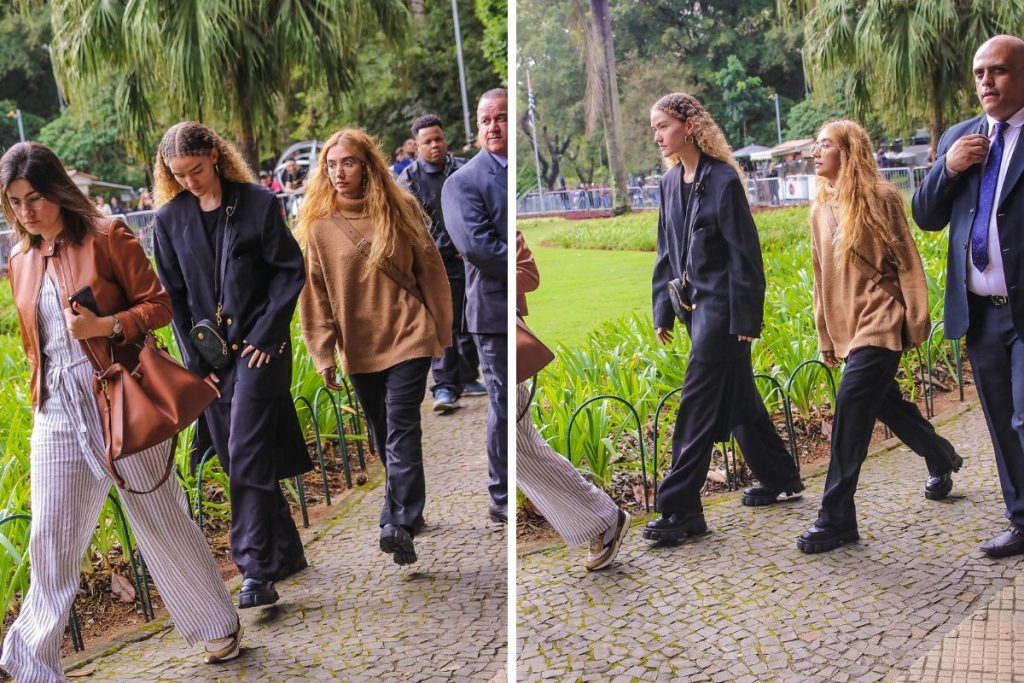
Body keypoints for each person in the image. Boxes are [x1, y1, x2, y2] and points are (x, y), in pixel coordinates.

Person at [0, 142, 241, 680]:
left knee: (160, 518)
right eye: (14, 202)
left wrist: (106, 327)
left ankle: (214, 625)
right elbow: (33, 341)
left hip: (118, 396)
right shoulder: (18, 260)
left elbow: (158, 305)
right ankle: (30, 663)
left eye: (35, 197)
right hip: (57, 410)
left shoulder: (108, 236)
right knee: (50, 535)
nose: (26, 212)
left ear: (58, 191)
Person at [152, 121, 311, 608]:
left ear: (215, 156)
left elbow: (289, 271)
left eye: (196, 170)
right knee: (235, 454)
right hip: (210, 358)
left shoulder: (259, 203)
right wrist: (196, 365)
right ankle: (285, 553)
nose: (189, 181)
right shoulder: (168, 220)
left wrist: (267, 333)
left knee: (243, 450)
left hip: (260, 349)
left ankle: (254, 571)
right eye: (179, 175)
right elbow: (174, 300)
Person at [644, 92, 804, 544]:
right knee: (740, 401)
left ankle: (681, 508)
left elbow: (746, 257)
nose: (657, 135)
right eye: (654, 128)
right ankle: (780, 476)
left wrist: (746, 320)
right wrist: (663, 310)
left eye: (663, 126)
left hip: (724, 313)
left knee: (695, 408)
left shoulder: (723, 181)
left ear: (688, 126)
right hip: (692, 310)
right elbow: (665, 253)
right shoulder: (669, 183)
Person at [797, 120, 963, 554]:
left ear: (848, 151)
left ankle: (835, 517)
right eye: (815, 146)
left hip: (882, 319)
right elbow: (820, 277)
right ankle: (941, 455)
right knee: (887, 405)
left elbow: (907, 261)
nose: (816, 153)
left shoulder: (881, 198)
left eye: (825, 146)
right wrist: (825, 336)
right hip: (847, 328)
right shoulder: (818, 211)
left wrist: (918, 318)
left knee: (851, 409)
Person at [297, 128, 452, 565]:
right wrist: (323, 352)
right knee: (385, 434)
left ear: (367, 164)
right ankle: (412, 509)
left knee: (402, 426)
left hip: (408, 333)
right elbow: (316, 292)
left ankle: (395, 522)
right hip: (360, 346)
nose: (338, 172)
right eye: (330, 164)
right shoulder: (320, 224)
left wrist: (441, 331)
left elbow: (431, 271)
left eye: (347, 162)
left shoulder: (400, 209)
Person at [913, 35, 1024, 557]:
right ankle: (1021, 521)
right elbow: (926, 216)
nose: (986, 82)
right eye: (980, 73)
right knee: (1002, 422)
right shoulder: (963, 137)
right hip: (980, 314)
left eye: (998, 71)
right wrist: (949, 167)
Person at [516, 229, 630, 570]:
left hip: (496, 343)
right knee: (517, 448)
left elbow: (527, 272)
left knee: (519, 447)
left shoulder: (489, 201)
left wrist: (485, 276)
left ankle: (603, 517)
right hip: (471, 344)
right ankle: (601, 517)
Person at [442, 88, 509, 524]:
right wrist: (521, 266)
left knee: (520, 403)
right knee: (503, 402)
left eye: (501, 118)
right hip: (491, 310)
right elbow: (478, 246)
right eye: (486, 120)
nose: (493, 126)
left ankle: (528, 484)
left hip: (518, 304)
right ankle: (500, 495)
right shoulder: (463, 181)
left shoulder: (513, 171)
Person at [398, 114, 486, 413]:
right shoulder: (408, 180)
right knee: (441, 324)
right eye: (427, 142)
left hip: (470, 259)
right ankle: (445, 385)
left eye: (438, 139)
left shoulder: (463, 168)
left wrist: (468, 244)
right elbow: (412, 228)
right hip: (434, 263)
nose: (434, 145)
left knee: (470, 319)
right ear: (417, 145)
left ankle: (467, 376)